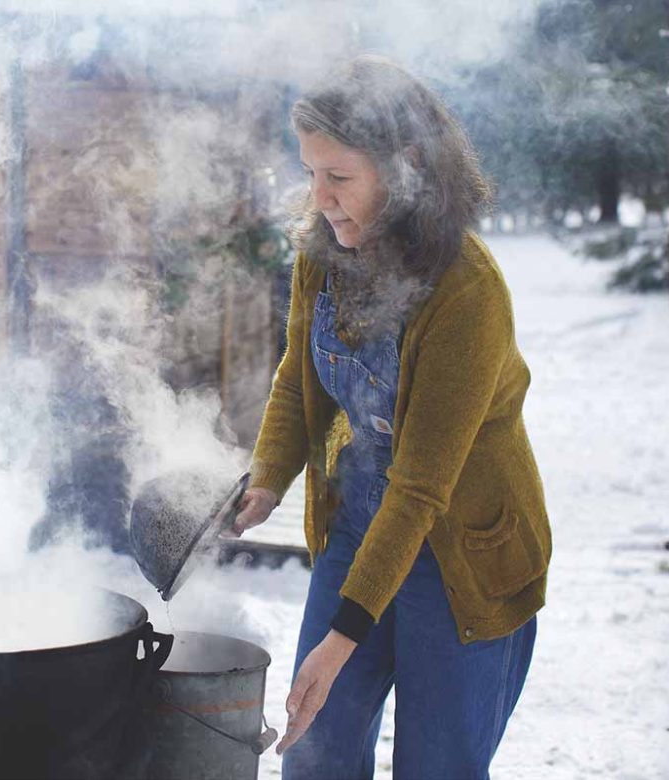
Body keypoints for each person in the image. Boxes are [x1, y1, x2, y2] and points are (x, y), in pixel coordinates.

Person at [228, 55, 552, 780]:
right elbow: (296, 376)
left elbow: (420, 489)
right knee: (314, 754)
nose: (321, 198)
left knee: (435, 769)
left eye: (338, 177)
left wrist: (344, 637)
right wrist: (267, 480)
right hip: (360, 523)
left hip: (461, 549)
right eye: (311, 173)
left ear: (405, 169)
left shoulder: (467, 291)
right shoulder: (324, 254)